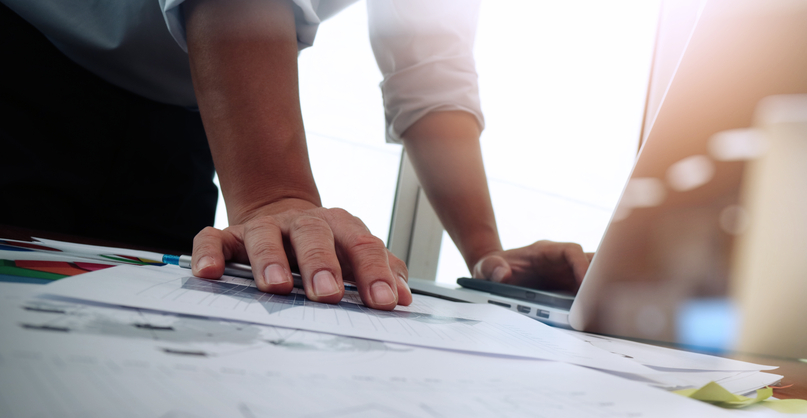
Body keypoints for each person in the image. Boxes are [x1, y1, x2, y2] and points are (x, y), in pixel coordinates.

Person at [0, 0, 591, 310]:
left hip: (188, 118)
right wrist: (276, 196)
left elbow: (429, 71)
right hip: (27, 65)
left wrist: (490, 261)